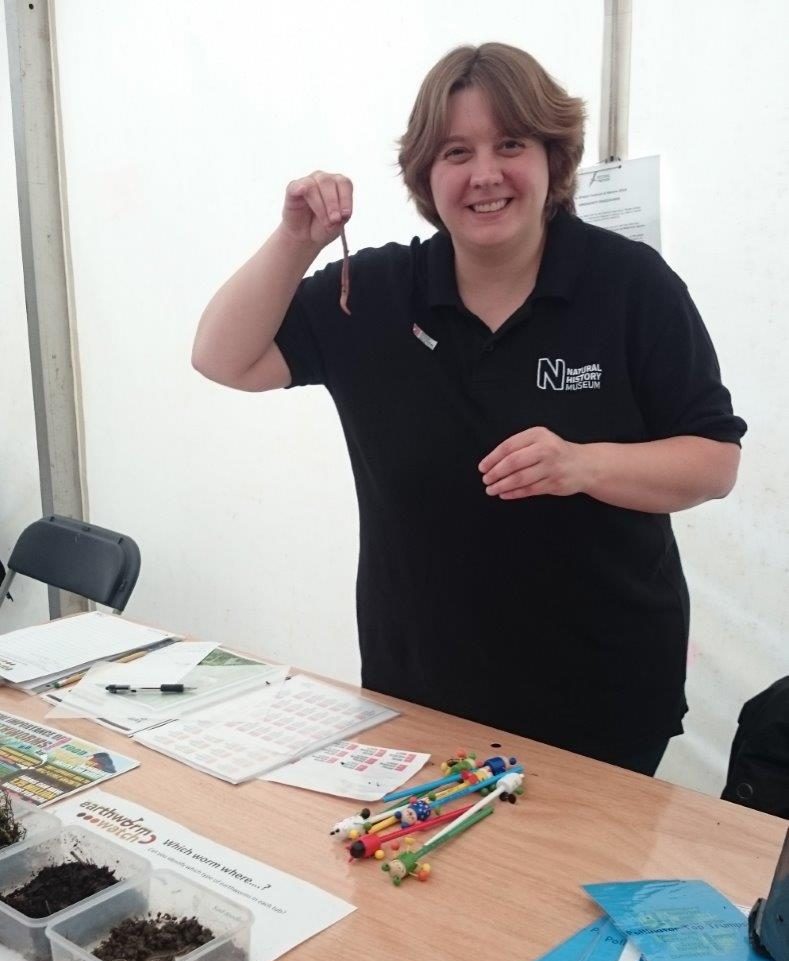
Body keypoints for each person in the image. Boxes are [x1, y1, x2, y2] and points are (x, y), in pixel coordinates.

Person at [192, 42, 746, 776]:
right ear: (426, 173)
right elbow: (222, 357)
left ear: (553, 156)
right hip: (420, 694)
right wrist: (296, 240)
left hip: (601, 697)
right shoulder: (375, 291)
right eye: (456, 151)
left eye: (509, 144)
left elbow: (713, 463)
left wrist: (583, 464)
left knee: (565, 890)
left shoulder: (629, 286)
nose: (485, 174)